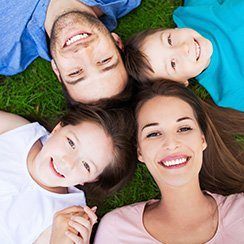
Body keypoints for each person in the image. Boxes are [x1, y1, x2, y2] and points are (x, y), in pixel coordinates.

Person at [94, 80, 244, 243]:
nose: (171, 144)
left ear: (202, 139)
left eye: (184, 129)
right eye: (153, 134)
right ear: (140, 152)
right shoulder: (118, 230)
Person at [0, 105, 136, 244]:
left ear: (91, 179)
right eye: (71, 143)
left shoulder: (65, 219)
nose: (67, 162)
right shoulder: (18, 132)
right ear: (57, 129)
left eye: (86, 165)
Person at [0, 0, 141, 104]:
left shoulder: (6, 50)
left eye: (75, 73)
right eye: (105, 61)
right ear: (116, 42)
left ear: (56, 69)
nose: (82, 51)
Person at [125, 0, 244, 111]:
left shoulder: (195, 13)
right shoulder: (230, 90)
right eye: (173, 64)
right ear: (182, 83)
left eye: (169, 40)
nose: (184, 47)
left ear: (170, 29)